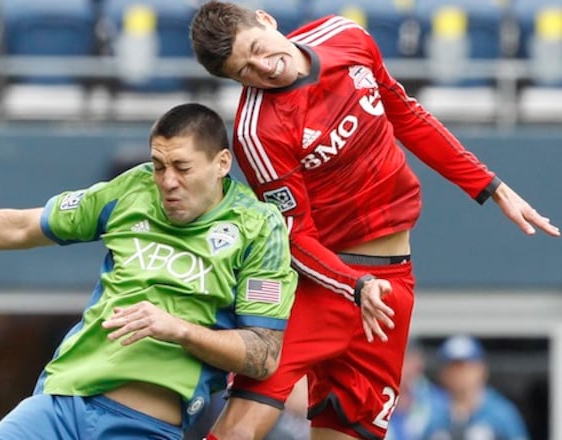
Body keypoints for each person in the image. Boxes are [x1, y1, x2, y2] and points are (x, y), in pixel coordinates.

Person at [189, 2, 560, 439]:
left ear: (266, 20)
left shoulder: (346, 37)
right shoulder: (258, 133)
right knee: (240, 426)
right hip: (321, 286)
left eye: (257, 48)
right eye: (244, 71)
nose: (263, 67)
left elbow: (406, 114)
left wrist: (490, 186)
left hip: (392, 287)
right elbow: (297, 237)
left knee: (350, 430)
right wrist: (354, 285)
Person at [0, 103, 298, 440]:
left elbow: (262, 354)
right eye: (158, 165)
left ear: (222, 163)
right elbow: (19, 226)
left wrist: (178, 329)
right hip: (58, 404)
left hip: (142, 426)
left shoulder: (258, 227)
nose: (167, 181)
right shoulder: (132, 190)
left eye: (181, 167)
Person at [424, 335, 529, 440]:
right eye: (453, 368)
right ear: (443, 373)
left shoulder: (501, 412)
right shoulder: (430, 410)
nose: (460, 374)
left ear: (482, 369)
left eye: (466, 367)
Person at [385, 340, 442, 440]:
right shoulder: (376, 399)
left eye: (408, 360)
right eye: (399, 359)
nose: (403, 367)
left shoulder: (435, 401)